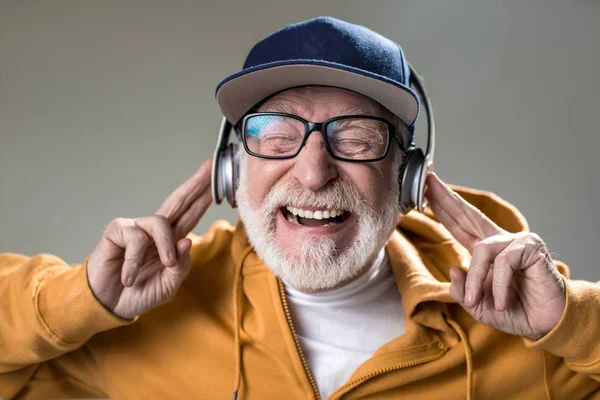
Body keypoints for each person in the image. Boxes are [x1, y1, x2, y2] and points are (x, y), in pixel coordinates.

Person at [0, 16, 598, 400]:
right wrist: (81, 299)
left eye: (358, 137)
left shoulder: (524, 332)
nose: (313, 173)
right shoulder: (146, 318)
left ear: (408, 178)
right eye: (278, 134)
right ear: (234, 168)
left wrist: (568, 321)